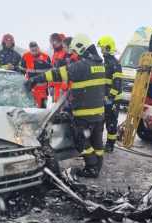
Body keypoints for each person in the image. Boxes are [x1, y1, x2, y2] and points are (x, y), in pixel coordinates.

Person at [28, 34, 106, 178]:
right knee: (97, 142)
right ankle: (97, 166)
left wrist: (35, 80)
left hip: (84, 114)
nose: (73, 54)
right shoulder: (100, 66)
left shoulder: (81, 66)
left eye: (75, 51)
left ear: (82, 48)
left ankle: (92, 167)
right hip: (99, 114)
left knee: (81, 141)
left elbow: (57, 74)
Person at [97, 35, 123, 152]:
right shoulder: (104, 63)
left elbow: (117, 83)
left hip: (113, 99)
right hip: (105, 98)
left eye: (102, 48)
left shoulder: (115, 64)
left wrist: (111, 97)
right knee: (101, 122)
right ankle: (99, 143)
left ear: (108, 48)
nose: (101, 50)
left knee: (111, 123)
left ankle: (110, 145)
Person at [20, 41, 52, 108]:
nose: (34, 51)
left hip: (43, 90)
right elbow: (21, 72)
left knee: (42, 110)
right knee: (31, 108)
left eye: (36, 49)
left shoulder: (46, 57)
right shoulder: (25, 57)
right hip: (30, 89)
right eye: (32, 50)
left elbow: (51, 73)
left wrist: (51, 86)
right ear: (30, 49)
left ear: (38, 48)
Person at [50, 33, 68, 102]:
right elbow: (52, 70)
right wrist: (51, 85)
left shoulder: (66, 53)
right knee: (57, 109)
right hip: (56, 88)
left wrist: (64, 88)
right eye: (52, 42)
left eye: (55, 42)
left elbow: (68, 72)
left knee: (62, 108)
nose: (53, 44)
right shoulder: (55, 53)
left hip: (63, 88)